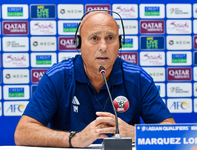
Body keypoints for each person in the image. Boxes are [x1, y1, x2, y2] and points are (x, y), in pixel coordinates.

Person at [14, 11, 175, 148]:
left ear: (120, 43)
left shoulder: (138, 78)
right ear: (79, 43)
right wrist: (75, 139)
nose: (103, 46)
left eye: (110, 38)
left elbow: (171, 131)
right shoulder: (58, 77)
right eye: (94, 38)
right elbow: (22, 133)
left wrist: (135, 133)